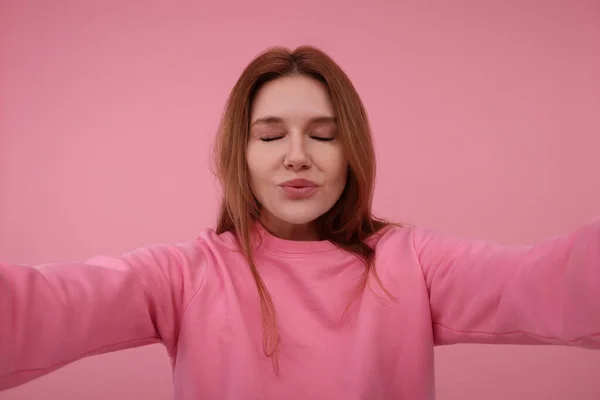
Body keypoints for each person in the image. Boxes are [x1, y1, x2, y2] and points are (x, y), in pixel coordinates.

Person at [1, 45, 599, 400]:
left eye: (323, 135)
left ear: (352, 151)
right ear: (240, 152)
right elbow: (46, 306)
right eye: (270, 135)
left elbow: (553, 280)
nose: (296, 155)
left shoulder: (410, 262)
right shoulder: (186, 274)